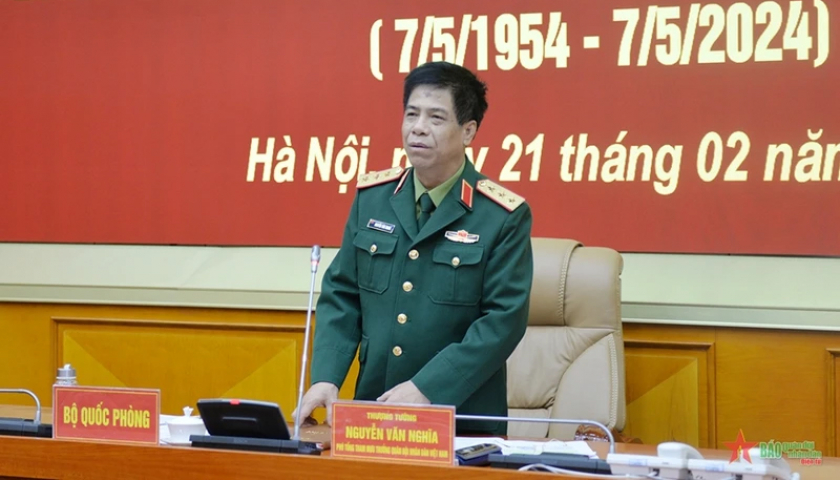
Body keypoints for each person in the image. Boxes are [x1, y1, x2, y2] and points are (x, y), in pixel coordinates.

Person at [294, 61, 533, 435]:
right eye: (411, 114)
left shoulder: (501, 215)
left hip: (461, 422)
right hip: (375, 411)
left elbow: (502, 321)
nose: (418, 127)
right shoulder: (373, 199)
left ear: (468, 131)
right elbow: (343, 295)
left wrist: (429, 388)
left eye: (436, 117)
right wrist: (327, 375)